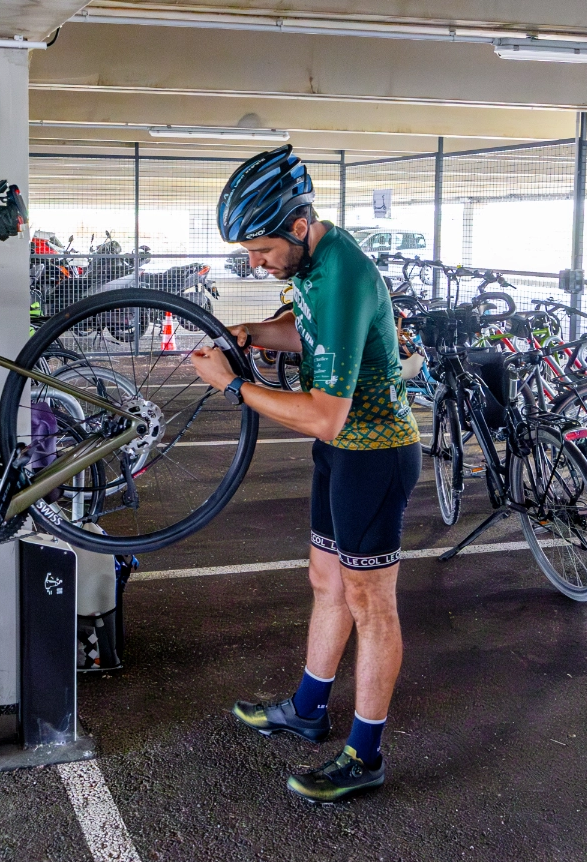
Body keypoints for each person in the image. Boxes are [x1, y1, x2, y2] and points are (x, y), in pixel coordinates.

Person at [191, 145, 421, 803]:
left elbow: (323, 415)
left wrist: (234, 386)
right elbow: (313, 331)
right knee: (326, 579)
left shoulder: (342, 271)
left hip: (373, 454)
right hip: (343, 452)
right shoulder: (316, 259)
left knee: (370, 602)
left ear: (298, 226)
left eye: (261, 250)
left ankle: (366, 754)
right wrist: (258, 331)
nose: (256, 263)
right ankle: (309, 709)